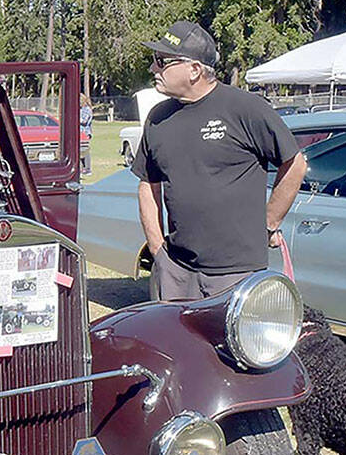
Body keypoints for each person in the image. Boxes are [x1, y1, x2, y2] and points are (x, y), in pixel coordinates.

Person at [131, 21, 307, 301]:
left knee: (226, 346)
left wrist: (269, 224)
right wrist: (158, 250)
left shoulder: (245, 109)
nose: (154, 68)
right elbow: (147, 184)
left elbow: (295, 165)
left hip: (235, 273)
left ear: (194, 70)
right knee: (172, 345)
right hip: (176, 269)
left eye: (162, 61)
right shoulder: (158, 117)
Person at [79, 93, 93, 174]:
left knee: (85, 151)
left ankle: (88, 169)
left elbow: (84, 121)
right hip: (79, 133)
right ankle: (81, 168)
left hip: (85, 133)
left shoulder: (87, 109)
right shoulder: (80, 109)